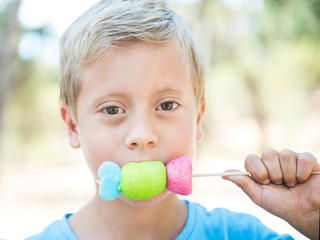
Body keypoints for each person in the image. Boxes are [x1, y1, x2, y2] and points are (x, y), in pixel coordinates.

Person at [27, 0, 320, 239]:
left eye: (166, 105)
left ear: (197, 120)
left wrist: (313, 219)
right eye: (112, 109)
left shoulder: (240, 235)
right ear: (73, 126)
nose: (142, 135)